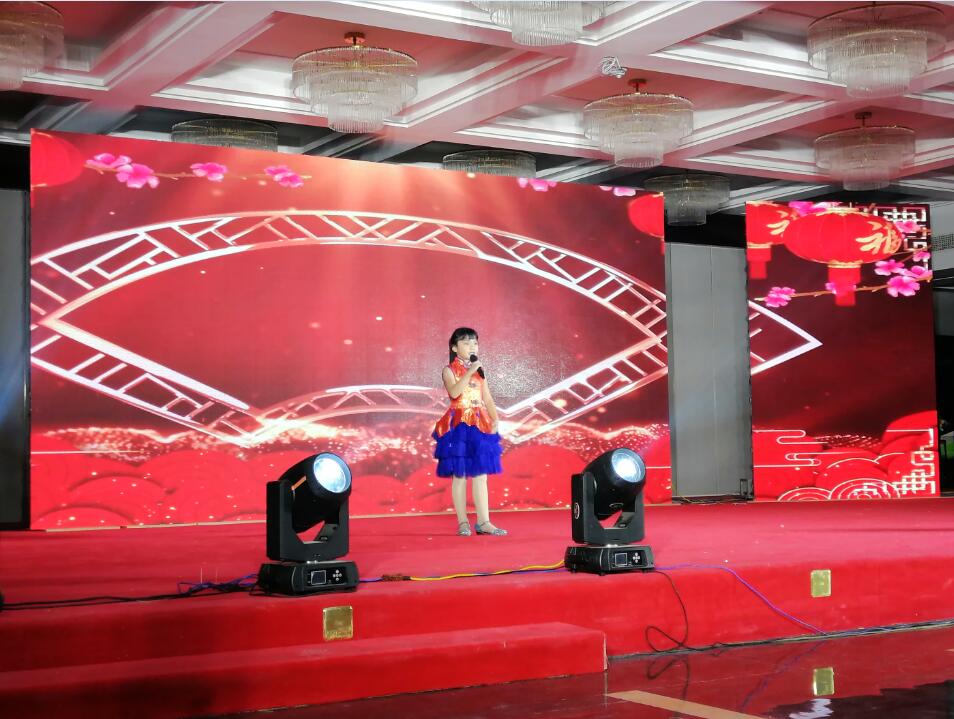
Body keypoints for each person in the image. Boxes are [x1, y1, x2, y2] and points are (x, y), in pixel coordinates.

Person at [432, 327, 506, 536]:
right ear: (455, 348)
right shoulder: (449, 370)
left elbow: (487, 398)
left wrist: (495, 418)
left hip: (479, 424)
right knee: (460, 475)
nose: (472, 346)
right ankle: (463, 522)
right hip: (459, 426)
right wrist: (470, 371)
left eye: (474, 342)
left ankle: (484, 522)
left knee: (481, 475)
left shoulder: (480, 371)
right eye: (466, 342)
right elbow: (455, 393)